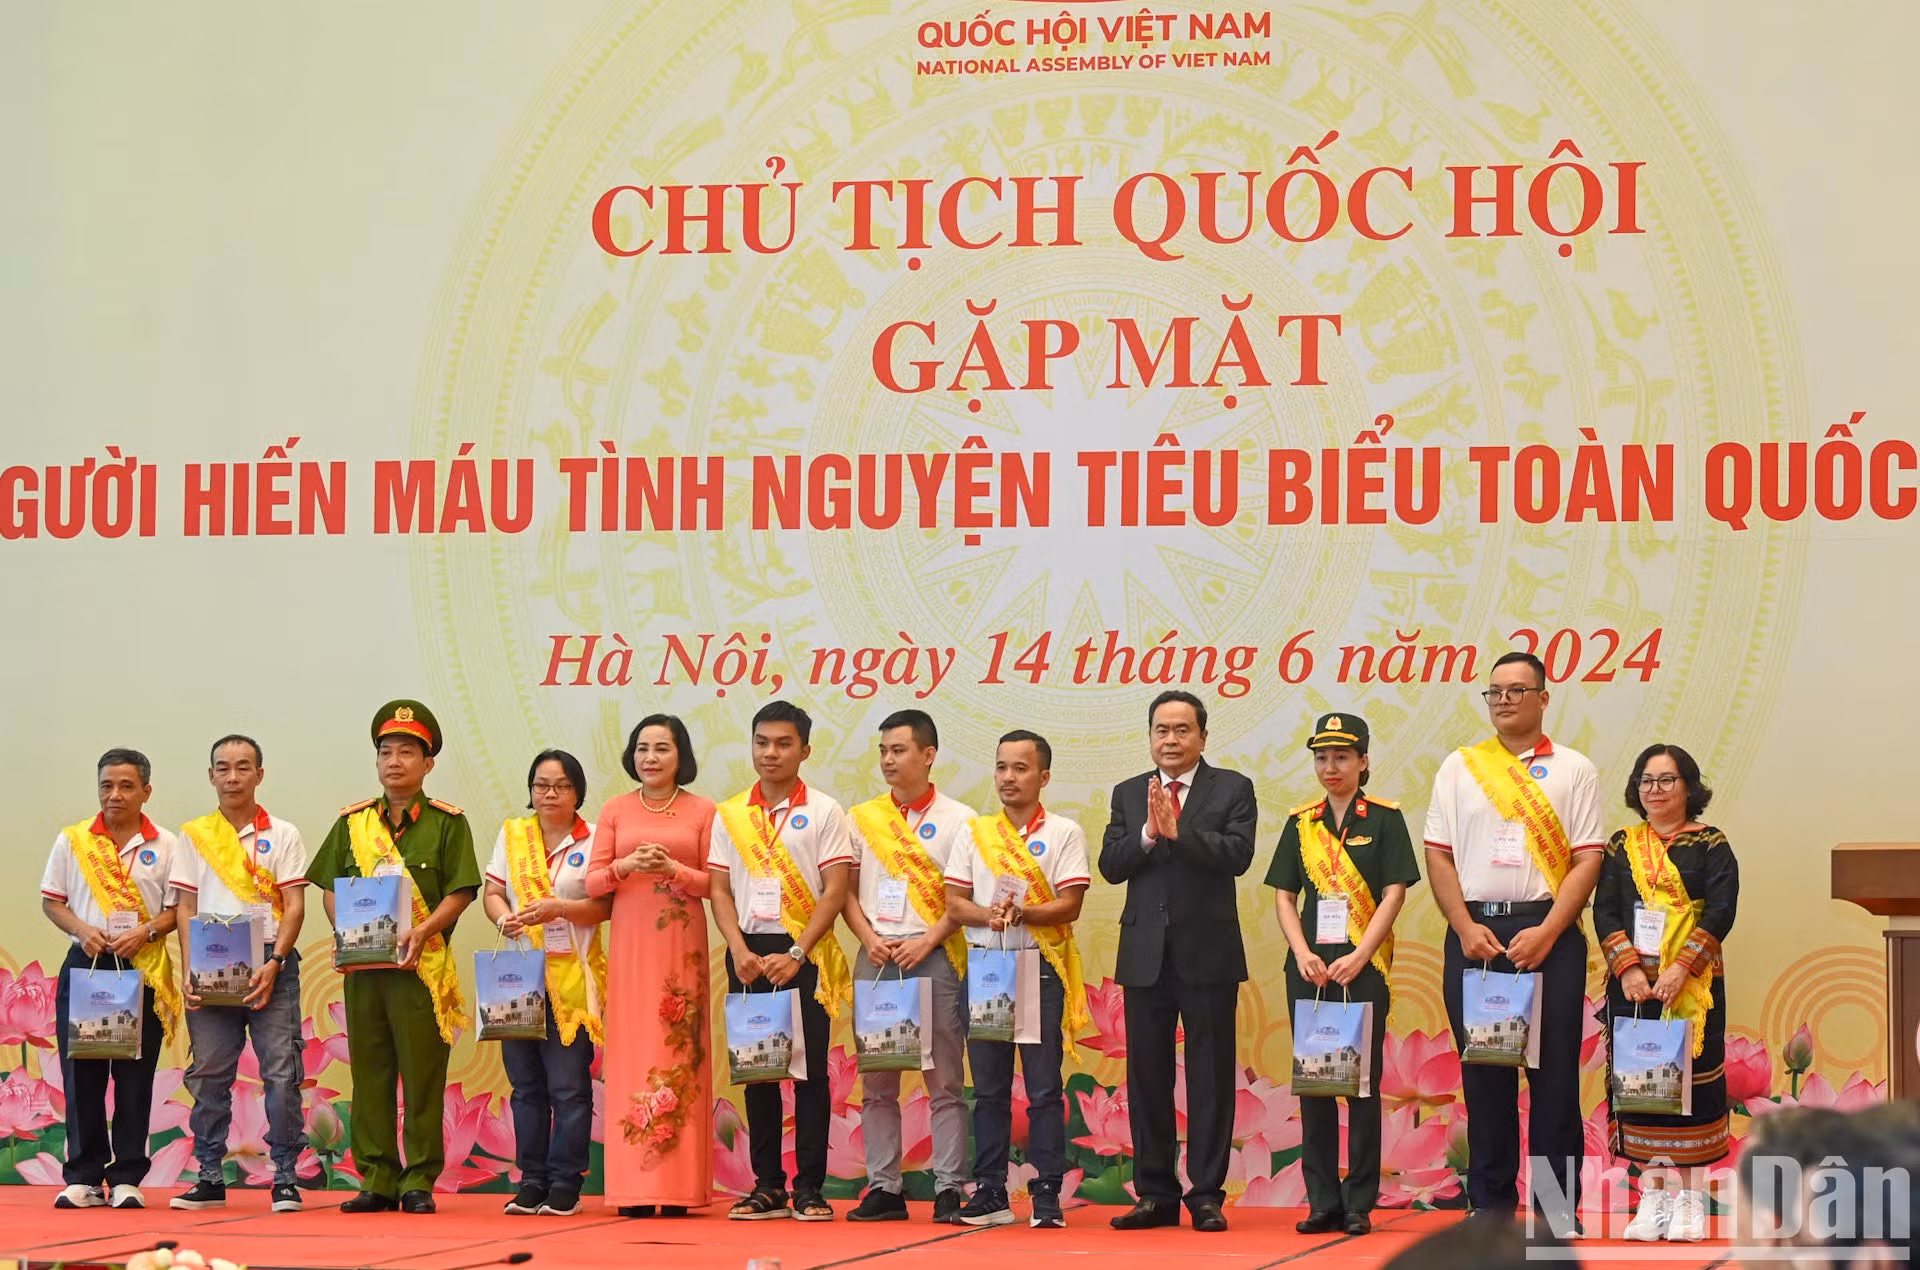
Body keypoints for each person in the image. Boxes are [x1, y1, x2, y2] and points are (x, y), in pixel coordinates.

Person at [1424, 652, 1604, 1233]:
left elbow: (1587, 858)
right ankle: (1492, 1205)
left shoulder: (1575, 769)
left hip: (1548, 934)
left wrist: (1550, 929)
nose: (1504, 700)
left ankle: (1556, 1210)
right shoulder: (1460, 766)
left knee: (1552, 1079)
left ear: (1544, 698)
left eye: (1517, 690)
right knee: (1486, 1075)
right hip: (1476, 936)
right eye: (1494, 692)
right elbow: (1439, 853)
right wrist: (1462, 925)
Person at [306, 700, 480, 1214]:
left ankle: (419, 1180)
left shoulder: (448, 824)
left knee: (423, 1073)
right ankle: (377, 1177)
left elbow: (462, 890)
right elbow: (331, 888)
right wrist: (346, 931)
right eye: (387, 751)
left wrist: (425, 930)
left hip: (420, 970)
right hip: (365, 970)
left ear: (428, 764)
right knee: (371, 1072)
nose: (395, 761)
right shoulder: (352, 823)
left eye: (408, 751)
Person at [1098, 690, 1258, 1234]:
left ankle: (1207, 1194)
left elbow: (1237, 856)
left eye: (1181, 730)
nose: (1170, 739)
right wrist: (1146, 834)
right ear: (1150, 737)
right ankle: (1155, 1194)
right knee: (1147, 1078)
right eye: (1161, 730)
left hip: (1208, 955)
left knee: (1211, 1077)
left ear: (1202, 738)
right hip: (1145, 956)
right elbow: (1111, 867)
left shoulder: (1232, 788)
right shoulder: (1126, 794)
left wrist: (1178, 832)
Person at [1265, 713, 1419, 1237]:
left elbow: (1395, 892)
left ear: (1363, 762)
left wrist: (1360, 954)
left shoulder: (1384, 819)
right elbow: (1285, 896)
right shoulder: (1301, 822)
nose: (1330, 767)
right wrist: (1303, 951)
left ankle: (1359, 1202)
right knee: (1314, 1087)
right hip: (1309, 970)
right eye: (1322, 757)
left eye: (1342, 757)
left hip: (1363, 966)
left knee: (1361, 1086)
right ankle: (1321, 1201)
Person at [708, 700, 853, 1222]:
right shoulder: (729, 813)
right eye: (762, 742)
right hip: (747, 953)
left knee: (811, 1074)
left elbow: (835, 891)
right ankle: (767, 1184)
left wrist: (797, 953)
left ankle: (810, 1187)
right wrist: (739, 950)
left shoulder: (825, 811)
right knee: (758, 1072)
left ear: (805, 750)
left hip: (802, 953)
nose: (771, 753)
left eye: (783, 743)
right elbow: (719, 890)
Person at [946, 729, 1091, 1230]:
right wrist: (989, 915)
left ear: (1043, 777)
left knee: (1044, 1089)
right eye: (1002, 767)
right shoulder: (974, 831)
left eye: (1021, 768)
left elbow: (1071, 903)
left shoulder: (1065, 832)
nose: (1009, 777)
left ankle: (1047, 1192)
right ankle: (990, 1191)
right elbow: (955, 903)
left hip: (1038, 968)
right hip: (987, 970)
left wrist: (1025, 912)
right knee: (988, 1090)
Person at [1596, 744, 1739, 1243]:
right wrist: (1628, 969)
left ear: (1689, 787)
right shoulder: (1621, 845)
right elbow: (1605, 911)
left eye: (1666, 780)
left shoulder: (1711, 843)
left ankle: (1692, 1203)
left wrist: (1681, 968)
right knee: (1643, 1088)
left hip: (1694, 984)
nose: (1655, 790)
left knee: (1694, 1087)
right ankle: (1652, 1201)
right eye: (1646, 781)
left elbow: (1721, 910)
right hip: (1634, 987)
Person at [842, 709, 974, 1225]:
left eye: (898, 750)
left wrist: (928, 940)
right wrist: (869, 937)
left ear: (928, 754)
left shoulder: (960, 819)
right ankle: (884, 1188)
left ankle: (947, 1187)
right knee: (878, 1082)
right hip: (877, 957)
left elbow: (961, 898)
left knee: (942, 1079)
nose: (889, 761)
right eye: (883, 751)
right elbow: (844, 893)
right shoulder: (862, 818)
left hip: (933, 956)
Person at [169, 735, 310, 1214]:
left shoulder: (284, 834)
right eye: (223, 768)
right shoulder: (193, 835)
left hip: (271, 959)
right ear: (211, 775)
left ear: (260, 775)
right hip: (210, 960)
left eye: (243, 767)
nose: (232, 777)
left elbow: (294, 905)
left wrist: (276, 961)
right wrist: (190, 970)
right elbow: (185, 906)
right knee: (208, 1073)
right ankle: (209, 1174)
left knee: (281, 1073)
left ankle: (285, 1177)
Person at [585, 714, 716, 1218]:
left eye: (662, 748)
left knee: (681, 1052)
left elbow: (716, 886)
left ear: (681, 755)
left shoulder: (703, 810)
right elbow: (593, 883)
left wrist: (674, 870)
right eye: (642, 748)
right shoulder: (616, 810)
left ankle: (679, 1189)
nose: (651, 758)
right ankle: (634, 1189)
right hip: (632, 945)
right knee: (633, 1050)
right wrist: (626, 866)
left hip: (682, 946)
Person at [41, 748, 182, 1210]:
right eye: (106, 786)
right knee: (82, 1075)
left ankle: (126, 1178)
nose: (114, 795)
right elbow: (53, 902)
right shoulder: (74, 839)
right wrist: (82, 930)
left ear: (146, 790)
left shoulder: (167, 844)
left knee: (134, 1077)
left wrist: (146, 931)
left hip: (141, 969)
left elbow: (175, 909)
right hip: (87, 966)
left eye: (125, 786)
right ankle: (82, 1176)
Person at [483, 749, 610, 1218]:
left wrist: (561, 909)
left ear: (577, 791)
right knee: (525, 1087)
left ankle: (565, 1181)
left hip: (572, 981)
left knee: (568, 1087)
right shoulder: (513, 835)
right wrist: (506, 919)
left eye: (560, 785)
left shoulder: (596, 839)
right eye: (541, 785)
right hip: (518, 980)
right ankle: (531, 1179)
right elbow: (492, 893)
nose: (549, 793)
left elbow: (605, 907)